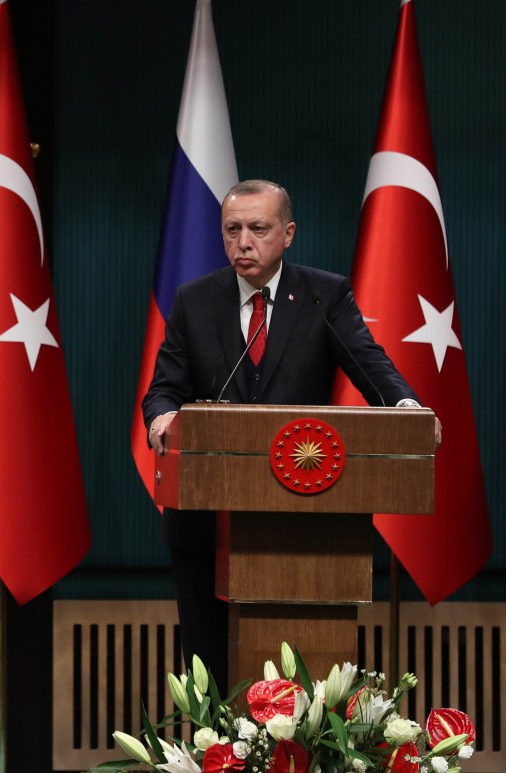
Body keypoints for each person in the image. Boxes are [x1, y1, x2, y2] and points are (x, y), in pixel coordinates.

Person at [141, 179, 440, 692]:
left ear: (288, 233)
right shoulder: (195, 301)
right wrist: (162, 416)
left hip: (304, 524)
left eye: (258, 229)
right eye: (232, 230)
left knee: (302, 674)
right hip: (206, 523)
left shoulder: (325, 295)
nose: (243, 242)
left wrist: (408, 409)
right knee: (209, 668)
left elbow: (371, 367)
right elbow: (164, 389)